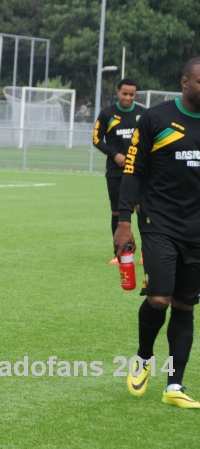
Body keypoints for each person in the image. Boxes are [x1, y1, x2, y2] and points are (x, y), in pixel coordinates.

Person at [116, 57, 200, 409]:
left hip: (197, 229)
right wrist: (123, 221)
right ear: (184, 82)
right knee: (159, 298)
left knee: (184, 305)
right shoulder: (156, 118)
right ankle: (144, 357)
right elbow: (133, 170)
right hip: (158, 222)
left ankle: (174, 386)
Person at [93, 78, 143, 264]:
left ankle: (147, 252)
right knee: (117, 212)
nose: (128, 98)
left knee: (141, 208)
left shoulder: (142, 113)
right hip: (115, 171)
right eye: (125, 94)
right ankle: (119, 254)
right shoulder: (107, 114)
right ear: (118, 92)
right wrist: (115, 155)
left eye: (132, 95)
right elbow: (96, 139)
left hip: (138, 171)